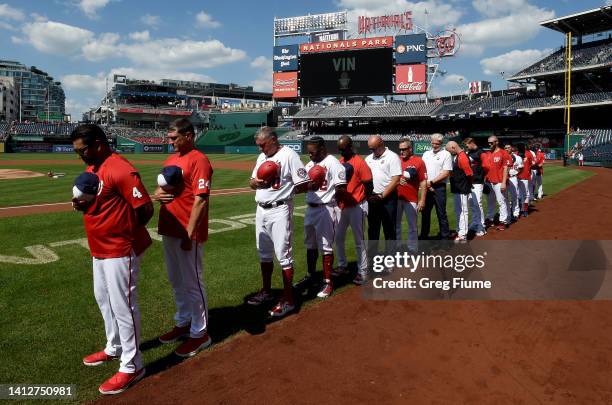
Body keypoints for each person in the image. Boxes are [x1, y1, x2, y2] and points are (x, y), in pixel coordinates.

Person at [71, 124, 153, 395]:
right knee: (103, 300)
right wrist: (84, 205)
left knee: (124, 306)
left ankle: (133, 365)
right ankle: (114, 347)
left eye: (82, 150)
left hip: (119, 249)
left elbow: (145, 209)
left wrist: (124, 233)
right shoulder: (93, 168)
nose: (80, 156)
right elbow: (100, 203)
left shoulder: (119, 167)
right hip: (99, 248)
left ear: (98, 144)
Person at [153, 118, 214, 358]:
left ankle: (200, 333)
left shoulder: (199, 159)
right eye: (169, 138)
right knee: (176, 280)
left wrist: (190, 232)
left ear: (189, 135)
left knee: (192, 282)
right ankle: (183, 322)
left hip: (187, 231)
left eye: (174, 138)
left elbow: (201, 199)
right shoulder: (171, 160)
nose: (170, 142)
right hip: (169, 227)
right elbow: (160, 190)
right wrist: (158, 195)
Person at [247, 127, 309, 318]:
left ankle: (289, 299)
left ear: (273, 140)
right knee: (264, 253)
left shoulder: (289, 155)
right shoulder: (262, 157)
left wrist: (285, 189)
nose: (260, 149)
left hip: (280, 209)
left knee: (283, 255)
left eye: (263, 145)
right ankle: (266, 291)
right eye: (258, 146)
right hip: (261, 209)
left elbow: (303, 184)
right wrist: (256, 183)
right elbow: (251, 181)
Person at [297, 136, 347, 298]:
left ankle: (328, 282)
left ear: (322, 149)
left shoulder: (333, 163)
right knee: (310, 245)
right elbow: (303, 186)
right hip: (311, 208)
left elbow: (341, 187)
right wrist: (308, 186)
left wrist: (333, 199)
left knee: (325, 246)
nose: (310, 155)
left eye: (313, 152)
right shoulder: (310, 164)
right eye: (309, 153)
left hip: (326, 208)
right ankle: (311, 275)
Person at [334, 135, 373, 285]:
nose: (341, 152)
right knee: (338, 237)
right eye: (339, 150)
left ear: (350, 147)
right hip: (343, 206)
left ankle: (363, 271)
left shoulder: (360, 163)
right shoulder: (340, 162)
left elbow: (369, 184)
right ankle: (343, 265)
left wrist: (363, 200)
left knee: (359, 240)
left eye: (343, 149)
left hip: (357, 205)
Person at [365, 135, 402, 248]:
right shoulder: (368, 159)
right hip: (372, 199)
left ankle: (390, 260)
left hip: (388, 199)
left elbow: (396, 179)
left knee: (389, 229)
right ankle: (372, 258)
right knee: (373, 230)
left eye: (374, 148)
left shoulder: (392, 157)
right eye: (370, 149)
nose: (372, 151)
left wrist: (382, 196)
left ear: (381, 144)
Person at [420, 133, 452, 239]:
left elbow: (446, 172)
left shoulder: (446, 154)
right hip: (427, 188)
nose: (434, 145)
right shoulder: (426, 154)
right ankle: (424, 237)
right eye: (432, 143)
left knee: (441, 213)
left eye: (437, 144)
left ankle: (445, 238)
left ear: (441, 143)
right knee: (425, 214)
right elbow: (422, 171)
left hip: (439, 188)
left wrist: (431, 183)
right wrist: (427, 184)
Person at [396, 138, 426, 249]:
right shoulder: (396, 160)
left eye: (404, 149)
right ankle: (397, 246)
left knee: (412, 226)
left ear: (410, 148)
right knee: (396, 224)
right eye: (400, 149)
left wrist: (422, 200)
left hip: (411, 199)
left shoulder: (419, 161)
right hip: (397, 197)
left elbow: (423, 181)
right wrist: (398, 180)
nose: (401, 152)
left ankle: (412, 248)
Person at [445, 141, 473, 242]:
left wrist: (467, 187)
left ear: (453, 147)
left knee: (463, 211)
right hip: (458, 188)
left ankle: (463, 234)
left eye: (449, 150)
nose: (449, 153)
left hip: (462, 189)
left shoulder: (462, 157)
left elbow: (469, 174)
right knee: (458, 211)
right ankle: (459, 231)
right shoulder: (458, 156)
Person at [486, 136, 512, 231]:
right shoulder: (488, 153)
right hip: (489, 181)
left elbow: (506, 168)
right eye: (488, 143)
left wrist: (504, 182)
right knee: (490, 201)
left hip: (499, 181)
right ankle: (490, 218)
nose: (489, 144)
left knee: (501, 201)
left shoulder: (503, 153)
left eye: (491, 143)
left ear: (497, 142)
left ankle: (503, 221)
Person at [463, 138, 486, 236]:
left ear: (472, 143)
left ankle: (481, 227)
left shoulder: (481, 152)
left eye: (467, 145)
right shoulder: (469, 153)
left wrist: (483, 179)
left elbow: (486, 166)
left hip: (477, 182)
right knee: (472, 204)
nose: (466, 147)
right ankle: (475, 223)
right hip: (470, 182)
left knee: (478, 204)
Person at [505, 144, 523, 222]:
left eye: (508, 148)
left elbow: (521, 168)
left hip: (513, 178)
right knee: (504, 197)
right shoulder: (503, 157)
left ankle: (515, 213)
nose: (507, 149)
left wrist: (516, 174)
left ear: (511, 148)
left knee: (514, 196)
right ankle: (507, 213)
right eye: (505, 148)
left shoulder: (518, 158)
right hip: (504, 179)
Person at [516, 143, 532, 217]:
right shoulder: (528, 153)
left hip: (521, 177)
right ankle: (522, 209)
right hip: (518, 177)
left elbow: (532, 163)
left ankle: (524, 210)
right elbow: (532, 163)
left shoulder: (528, 154)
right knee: (522, 194)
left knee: (523, 194)